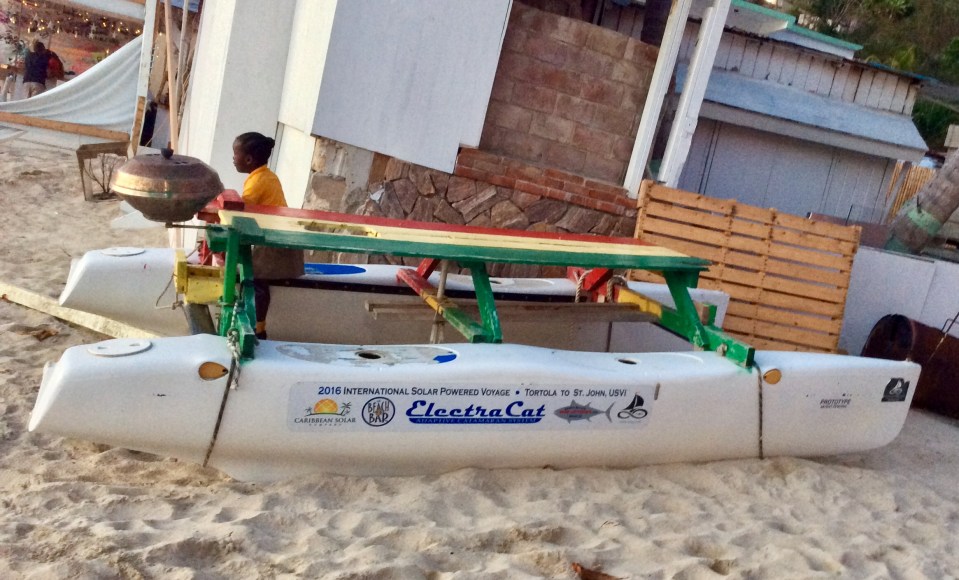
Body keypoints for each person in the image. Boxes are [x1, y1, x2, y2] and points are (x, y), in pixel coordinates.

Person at [232, 132, 304, 339]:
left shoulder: (258, 182)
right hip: (276, 236)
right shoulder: (265, 176)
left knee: (257, 280)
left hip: (277, 243)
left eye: (235, 154)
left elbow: (241, 210)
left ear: (248, 159)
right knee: (255, 275)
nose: (233, 158)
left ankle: (259, 328)